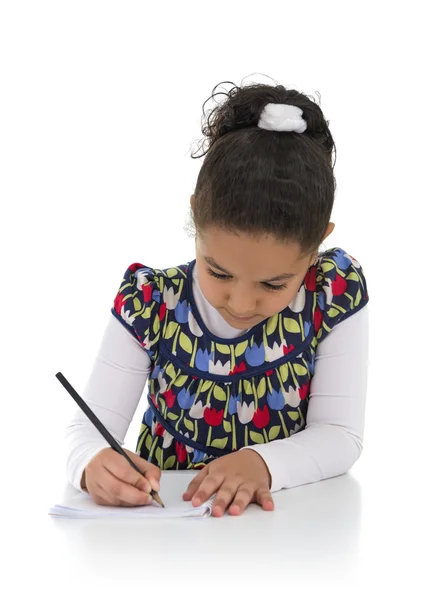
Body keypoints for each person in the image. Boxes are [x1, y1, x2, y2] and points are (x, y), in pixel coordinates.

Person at [65, 78, 369, 518]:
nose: (241, 304)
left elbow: (341, 434)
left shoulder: (331, 292)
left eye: (273, 284)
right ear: (195, 218)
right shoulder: (150, 302)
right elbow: (86, 428)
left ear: (318, 243)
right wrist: (91, 464)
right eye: (219, 272)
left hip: (289, 533)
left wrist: (263, 463)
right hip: (161, 536)